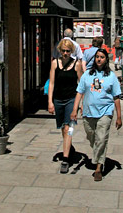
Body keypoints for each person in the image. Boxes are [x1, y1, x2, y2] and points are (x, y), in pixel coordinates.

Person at [70, 48, 122, 182]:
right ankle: (100, 155)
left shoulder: (111, 77)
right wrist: (74, 110)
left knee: (101, 138)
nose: (99, 59)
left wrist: (119, 116)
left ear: (106, 60)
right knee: (92, 137)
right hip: (88, 112)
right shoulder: (87, 75)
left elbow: (116, 97)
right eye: (97, 57)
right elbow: (79, 93)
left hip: (105, 112)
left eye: (102, 57)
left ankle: (99, 167)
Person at [48, 39, 83, 174]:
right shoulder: (55, 64)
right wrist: (50, 102)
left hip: (71, 100)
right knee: (63, 128)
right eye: (63, 51)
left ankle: (65, 159)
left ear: (72, 52)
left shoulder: (76, 64)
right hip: (58, 99)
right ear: (60, 51)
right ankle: (69, 147)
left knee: (69, 127)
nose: (65, 53)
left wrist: (82, 104)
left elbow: (81, 84)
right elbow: (51, 83)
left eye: (68, 51)